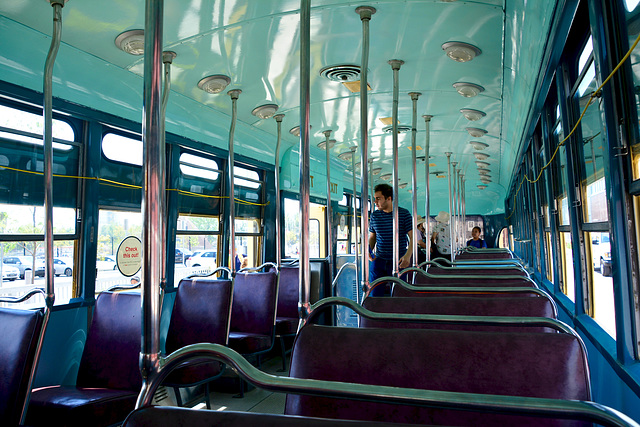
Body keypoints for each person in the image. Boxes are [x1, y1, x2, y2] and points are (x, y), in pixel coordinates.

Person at [368, 183, 413, 296]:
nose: (375, 201)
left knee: (399, 294)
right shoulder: (375, 216)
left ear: (389, 198)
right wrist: (368, 250)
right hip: (379, 259)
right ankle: (376, 313)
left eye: (378, 198)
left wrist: (408, 256)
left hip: (399, 260)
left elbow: (413, 237)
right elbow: (372, 237)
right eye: (375, 198)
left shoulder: (403, 214)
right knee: (375, 294)